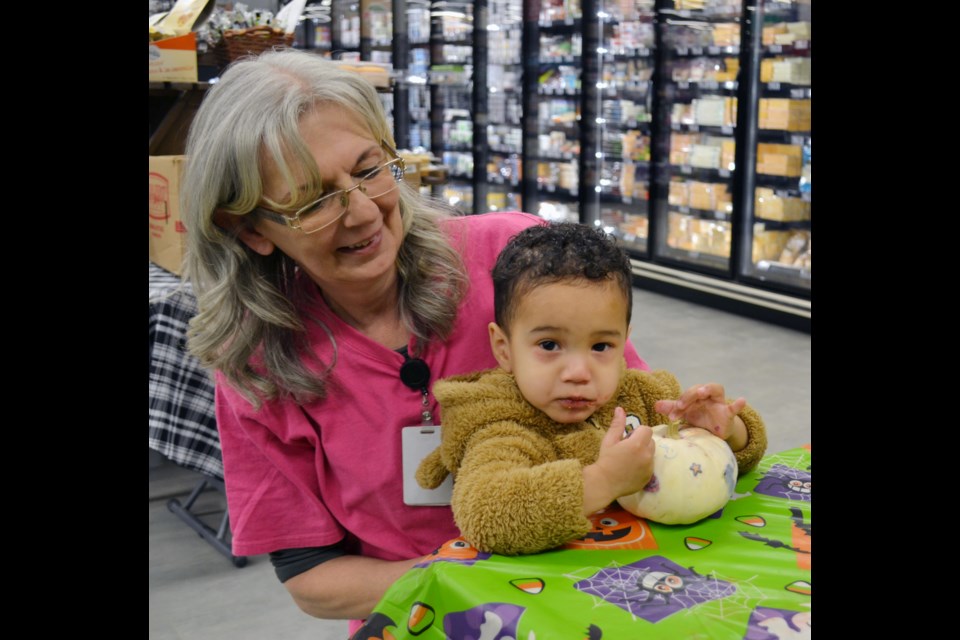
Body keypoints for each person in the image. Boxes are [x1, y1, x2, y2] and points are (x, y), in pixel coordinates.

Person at [177, 49, 652, 632]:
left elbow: (634, 415)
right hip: (422, 613)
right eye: (314, 201)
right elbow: (312, 578)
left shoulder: (516, 261)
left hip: (590, 590)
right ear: (249, 229)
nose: (362, 212)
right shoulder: (257, 364)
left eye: (369, 169)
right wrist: (475, 580)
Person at [415, 222, 768, 556]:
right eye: (550, 345)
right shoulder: (501, 425)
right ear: (504, 348)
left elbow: (733, 464)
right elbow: (487, 515)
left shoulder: (642, 396)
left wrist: (724, 430)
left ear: (623, 342)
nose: (578, 373)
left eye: (600, 347)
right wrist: (603, 480)